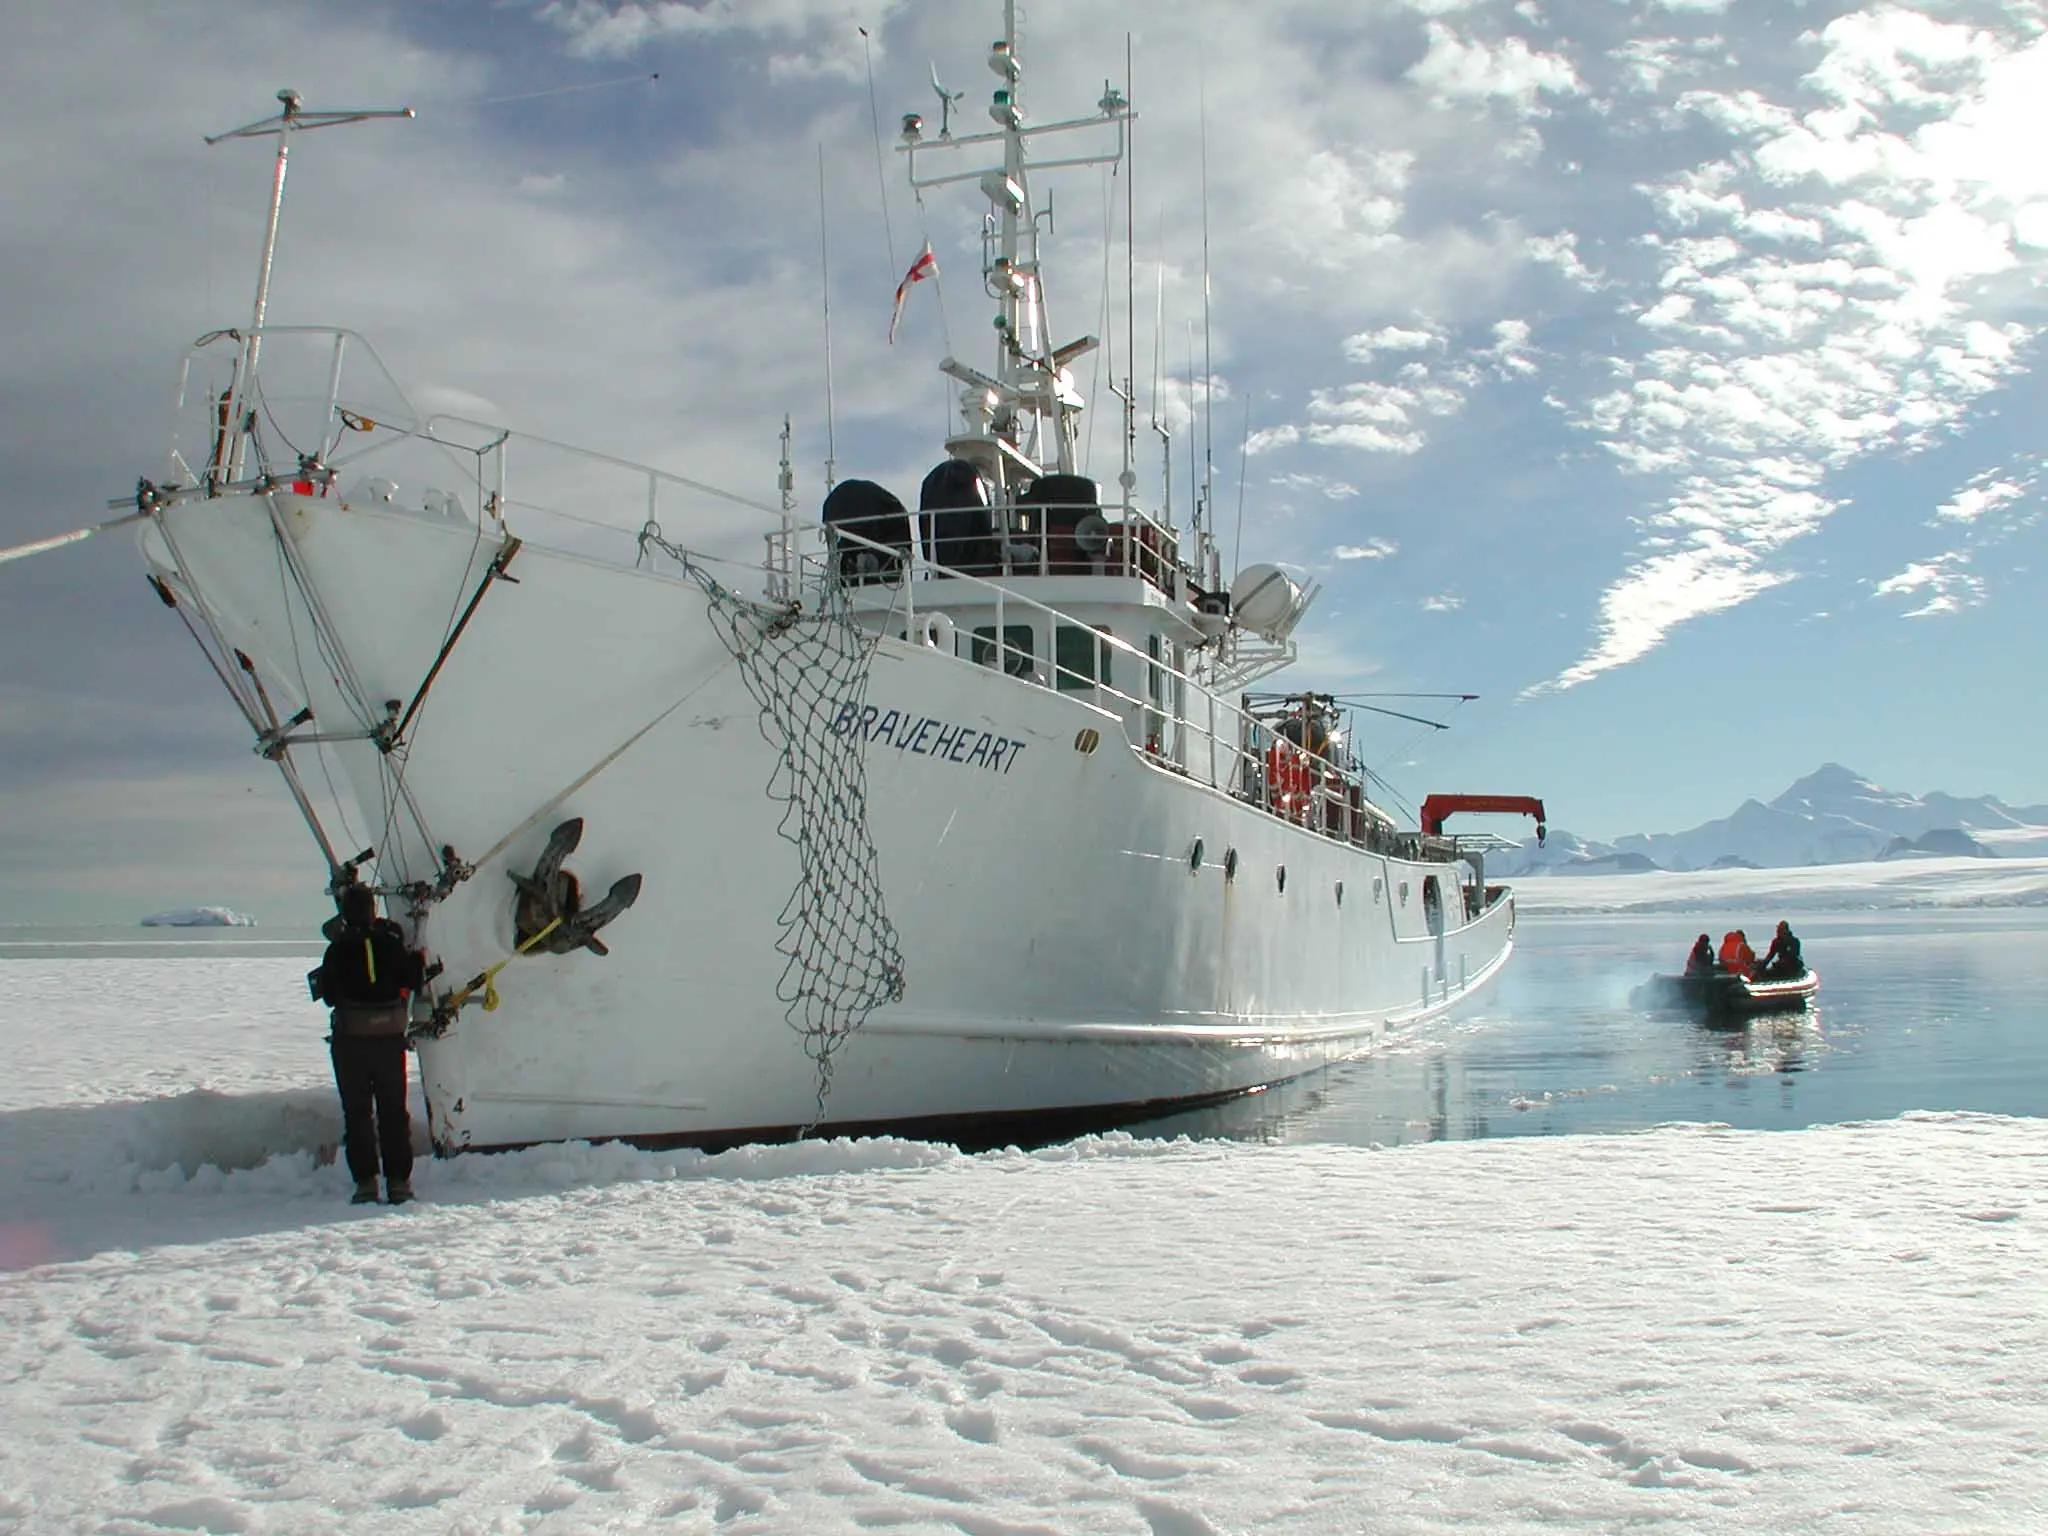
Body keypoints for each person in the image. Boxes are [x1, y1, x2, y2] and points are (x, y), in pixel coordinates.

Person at [311, 884, 425, 1205]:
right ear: (373, 910)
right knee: (393, 1111)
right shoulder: (390, 943)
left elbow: (330, 996)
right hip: (389, 1042)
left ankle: (366, 1183)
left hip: (351, 1044)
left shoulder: (337, 949)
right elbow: (413, 979)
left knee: (358, 1113)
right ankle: (399, 1181)